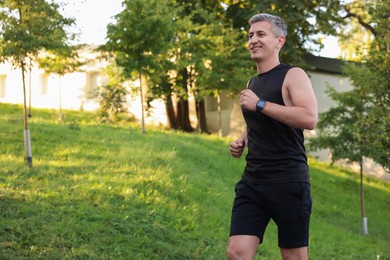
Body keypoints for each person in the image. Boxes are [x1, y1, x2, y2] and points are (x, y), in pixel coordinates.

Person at [226, 13, 318, 260]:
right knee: (237, 253)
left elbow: (309, 118)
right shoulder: (253, 82)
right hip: (253, 181)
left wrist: (260, 104)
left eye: (261, 34)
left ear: (280, 41)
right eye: (250, 35)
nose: (253, 40)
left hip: (288, 181)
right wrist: (242, 140)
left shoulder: (293, 75)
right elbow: (261, 120)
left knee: (294, 256)